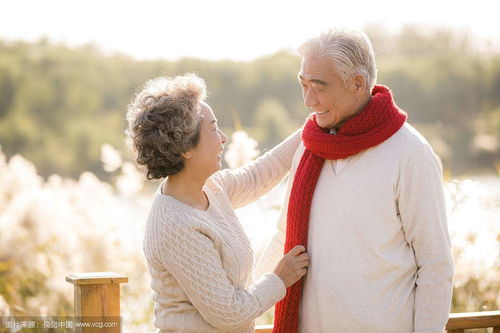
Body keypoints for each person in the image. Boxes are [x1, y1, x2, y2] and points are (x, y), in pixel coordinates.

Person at [255, 29, 454, 333]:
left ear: (358, 83)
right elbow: (284, 238)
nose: (308, 100)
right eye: (303, 85)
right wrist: (246, 308)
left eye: (319, 87)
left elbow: (435, 265)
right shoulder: (309, 146)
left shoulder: (410, 153)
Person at [126, 73, 309, 333]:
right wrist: (279, 278)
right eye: (213, 128)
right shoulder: (177, 224)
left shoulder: (212, 187)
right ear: (185, 148)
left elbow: (262, 173)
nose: (223, 138)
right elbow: (230, 315)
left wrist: (313, 127)